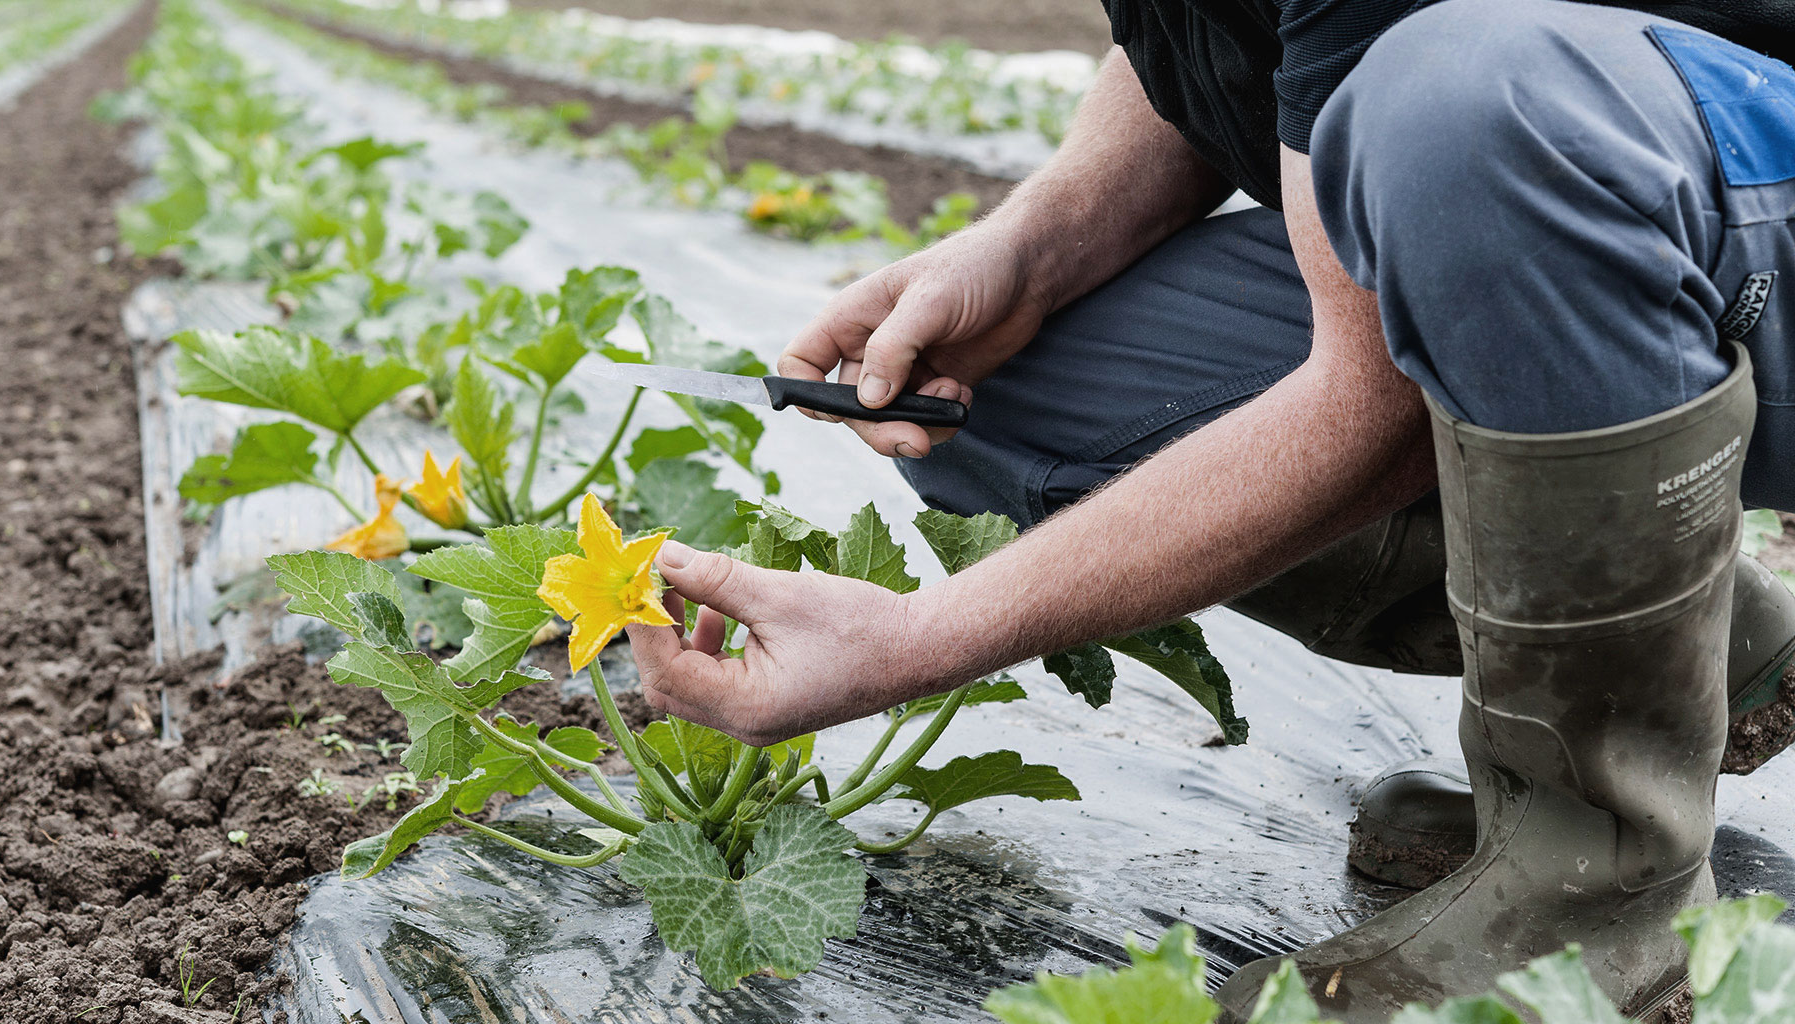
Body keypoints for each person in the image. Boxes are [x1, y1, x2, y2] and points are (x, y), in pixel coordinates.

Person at [623, 0, 1795, 1018]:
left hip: (1727, 179)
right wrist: (1028, 249)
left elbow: (1370, 402)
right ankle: (1691, 662)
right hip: (1639, 184)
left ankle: (1603, 896)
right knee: (1014, 407)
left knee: (1465, 106)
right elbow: (1210, 42)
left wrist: (916, 642)